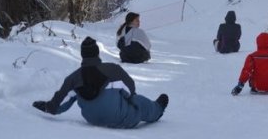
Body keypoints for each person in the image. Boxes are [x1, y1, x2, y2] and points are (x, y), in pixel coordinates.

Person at [32, 37, 168, 129]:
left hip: (92, 119)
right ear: (97, 53)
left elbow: (59, 104)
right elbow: (130, 90)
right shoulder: (113, 70)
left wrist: (47, 106)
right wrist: (126, 99)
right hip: (122, 118)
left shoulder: (73, 78)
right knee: (138, 101)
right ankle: (158, 109)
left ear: (83, 55)